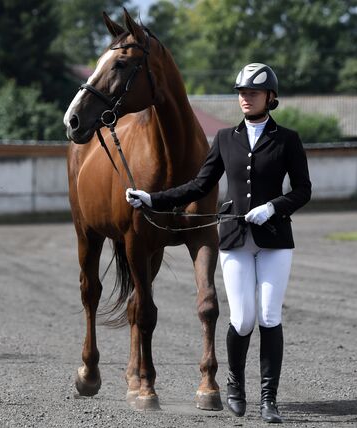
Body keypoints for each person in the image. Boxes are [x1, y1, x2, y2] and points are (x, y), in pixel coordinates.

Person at [126, 63, 311, 423]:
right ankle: (235, 387)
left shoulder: (288, 139)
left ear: (270, 98)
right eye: (242, 92)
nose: (245, 98)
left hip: (274, 240)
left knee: (270, 317)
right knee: (242, 319)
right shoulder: (225, 139)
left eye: (253, 93)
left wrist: (273, 207)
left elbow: (304, 190)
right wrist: (153, 199)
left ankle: (269, 399)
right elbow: (199, 185)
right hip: (236, 239)